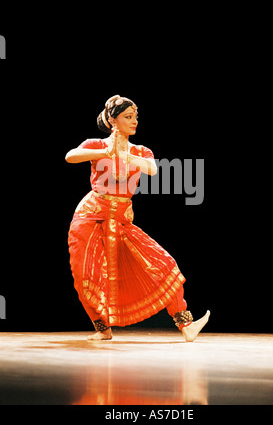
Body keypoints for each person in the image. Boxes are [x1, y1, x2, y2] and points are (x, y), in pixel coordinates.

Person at [66, 95, 210, 342]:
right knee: (86, 275)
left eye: (135, 117)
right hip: (90, 218)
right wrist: (106, 151)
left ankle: (186, 326)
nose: (134, 122)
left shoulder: (141, 151)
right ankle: (103, 329)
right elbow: (70, 156)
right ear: (113, 120)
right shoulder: (96, 145)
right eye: (128, 117)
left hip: (121, 220)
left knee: (163, 265)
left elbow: (152, 169)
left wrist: (126, 156)